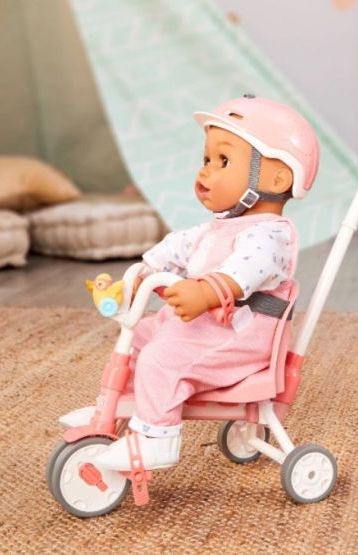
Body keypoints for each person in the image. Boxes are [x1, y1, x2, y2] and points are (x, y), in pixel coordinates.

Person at [61, 95, 319, 469]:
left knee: (162, 359)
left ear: (276, 178)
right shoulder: (218, 228)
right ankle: (121, 404)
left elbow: (244, 272)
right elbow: (177, 246)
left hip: (240, 337)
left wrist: (205, 290)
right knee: (142, 337)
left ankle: (156, 437)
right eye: (207, 160)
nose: (206, 172)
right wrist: (142, 274)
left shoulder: (269, 235)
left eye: (224, 161)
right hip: (208, 329)